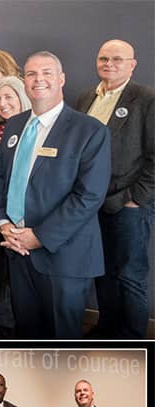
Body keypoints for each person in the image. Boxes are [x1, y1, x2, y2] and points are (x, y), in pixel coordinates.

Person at [0, 51, 112, 339]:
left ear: (61, 79)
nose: (38, 80)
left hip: (65, 257)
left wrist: (39, 236)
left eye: (46, 73)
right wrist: (3, 224)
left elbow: (89, 196)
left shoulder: (90, 131)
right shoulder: (15, 125)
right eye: (31, 74)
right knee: (28, 335)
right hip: (17, 252)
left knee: (62, 339)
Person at [76, 39, 155, 339]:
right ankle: (107, 330)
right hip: (89, 205)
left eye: (117, 59)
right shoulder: (86, 99)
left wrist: (137, 198)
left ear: (132, 64)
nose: (109, 64)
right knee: (103, 273)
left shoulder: (146, 98)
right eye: (103, 58)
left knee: (130, 277)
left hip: (128, 205)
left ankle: (133, 338)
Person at [0, 76, 32, 336]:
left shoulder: (38, 128)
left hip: (35, 219)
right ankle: (6, 321)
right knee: (5, 271)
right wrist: (3, 221)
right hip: (5, 217)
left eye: (8, 97)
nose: (2, 104)